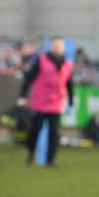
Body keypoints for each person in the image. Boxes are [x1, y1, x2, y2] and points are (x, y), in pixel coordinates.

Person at [18, 36, 73, 166]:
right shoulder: (41, 60)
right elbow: (28, 78)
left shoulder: (68, 64)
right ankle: (31, 152)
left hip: (56, 103)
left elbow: (70, 84)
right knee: (35, 130)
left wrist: (71, 101)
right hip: (40, 102)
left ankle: (51, 160)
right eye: (55, 45)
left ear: (64, 48)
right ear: (51, 46)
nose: (57, 47)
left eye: (60, 45)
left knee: (54, 133)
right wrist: (22, 96)